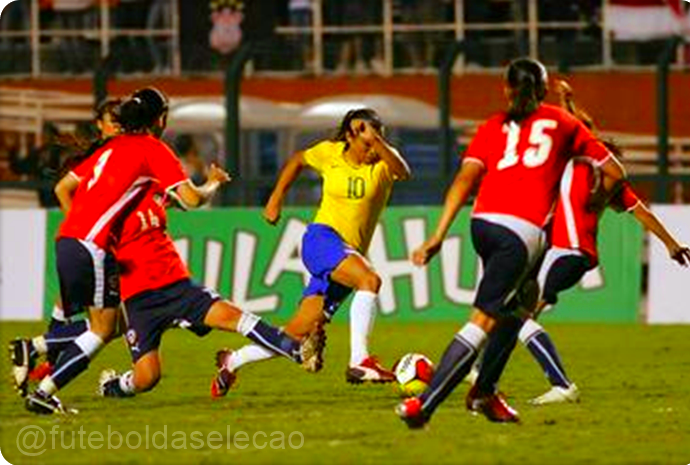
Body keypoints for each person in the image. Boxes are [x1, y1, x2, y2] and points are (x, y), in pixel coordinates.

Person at [17, 87, 317, 415]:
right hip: (120, 262)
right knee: (104, 329)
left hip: (75, 244)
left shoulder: (110, 150)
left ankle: (54, 362)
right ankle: (43, 384)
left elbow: (70, 187)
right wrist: (213, 183)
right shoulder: (152, 150)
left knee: (139, 365)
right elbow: (190, 199)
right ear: (160, 119)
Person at [396, 58, 626, 428]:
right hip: (521, 235)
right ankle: (424, 407)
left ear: (505, 89)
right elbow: (616, 171)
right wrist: (595, 202)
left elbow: (463, 180)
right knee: (484, 320)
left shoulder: (490, 127)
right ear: (542, 89)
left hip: (482, 225)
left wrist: (437, 235)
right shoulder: (564, 124)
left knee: (520, 306)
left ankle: (485, 393)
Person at [469, 81, 690, 407]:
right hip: (564, 255)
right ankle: (481, 372)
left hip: (569, 252)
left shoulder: (588, 170)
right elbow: (638, 208)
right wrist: (568, 101)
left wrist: (671, 244)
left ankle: (560, 384)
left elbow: (638, 209)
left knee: (520, 317)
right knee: (514, 312)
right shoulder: (584, 167)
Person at [210, 108, 411, 396]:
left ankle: (233, 361)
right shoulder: (329, 153)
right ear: (349, 137)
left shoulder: (383, 162)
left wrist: (376, 142)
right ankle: (360, 360)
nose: (372, 147)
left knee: (296, 334)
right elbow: (297, 160)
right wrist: (276, 197)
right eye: (366, 140)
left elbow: (404, 172)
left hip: (347, 255)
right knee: (370, 280)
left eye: (377, 138)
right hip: (322, 240)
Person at [97, 177, 323, 398]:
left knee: (234, 316)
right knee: (147, 377)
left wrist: (212, 182)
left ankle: (295, 351)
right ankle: (115, 386)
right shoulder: (110, 206)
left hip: (177, 286)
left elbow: (192, 198)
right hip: (141, 299)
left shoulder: (154, 188)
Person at [10, 98, 123, 397]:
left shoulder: (113, 151)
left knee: (95, 314)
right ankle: (39, 353)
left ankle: (44, 358)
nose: (118, 124)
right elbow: (64, 188)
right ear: (100, 124)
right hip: (90, 242)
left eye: (122, 119)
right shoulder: (106, 155)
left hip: (87, 241)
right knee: (109, 323)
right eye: (112, 119)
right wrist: (83, 229)